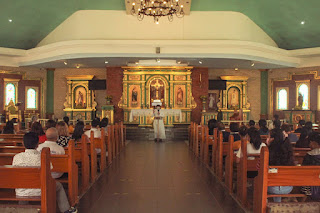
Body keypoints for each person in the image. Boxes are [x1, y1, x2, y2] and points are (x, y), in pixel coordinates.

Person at [12, 132, 77, 213]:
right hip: (41, 189)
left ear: (23, 143)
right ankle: (66, 209)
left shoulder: (17, 157)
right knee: (59, 186)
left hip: (21, 191)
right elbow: (50, 169)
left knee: (24, 184)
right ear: (37, 144)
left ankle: (22, 207)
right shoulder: (42, 156)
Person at [267, 128, 295, 202]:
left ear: (273, 139)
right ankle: (278, 203)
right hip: (288, 187)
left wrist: (267, 146)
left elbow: (260, 169)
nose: (267, 138)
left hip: (272, 187)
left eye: (269, 137)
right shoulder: (288, 152)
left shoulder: (268, 153)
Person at [300, 132, 320, 200]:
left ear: (313, 143)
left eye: (310, 142)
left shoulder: (309, 155)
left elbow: (303, 171)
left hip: (310, 186)